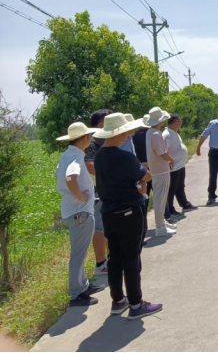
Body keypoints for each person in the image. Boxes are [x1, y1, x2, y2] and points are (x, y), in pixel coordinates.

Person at [93, 113, 162, 320]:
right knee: (131, 258)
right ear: (120, 132)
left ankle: (118, 300)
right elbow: (146, 176)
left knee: (115, 257)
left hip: (109, 212)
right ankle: (136, 303)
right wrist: (141, 185)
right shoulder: (124, 156)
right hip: (129, 211)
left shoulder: (99, 156)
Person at [55, 122, 104, 307]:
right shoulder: (75, 158)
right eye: (89, 137)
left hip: (73, 211)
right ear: (84, 138)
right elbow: (70, 178)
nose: (90, 140)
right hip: (79, 212)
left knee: (80, 252)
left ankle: (83, 286)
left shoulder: (67, 155)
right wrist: (80, 196)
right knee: (78, 253)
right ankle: (76, 294)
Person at [84, 108, 112, 277]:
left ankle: (109, 258)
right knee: (100, 228)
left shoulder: (103, 140)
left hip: (106, 189)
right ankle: (100, 264)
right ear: (101, 123)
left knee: (107, 226)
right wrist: (110, 173)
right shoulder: (92, 142)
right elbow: (88, 164)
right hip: (96, 191)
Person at [143, 107, 176, 237]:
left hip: (156, 169)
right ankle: (159, 226)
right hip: (161, 170)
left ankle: (161, 221)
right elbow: (161, 153)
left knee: (160, 198)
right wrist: (171, 160)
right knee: (160, 199)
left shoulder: (150, 132)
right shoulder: (156, 134)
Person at [163, 114, 196, 216]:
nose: (181, 124)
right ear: (173, 123)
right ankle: (170, 208)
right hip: (173, 167)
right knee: (172, 188)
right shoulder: (166, 134)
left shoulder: (175, 133)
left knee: (180, 186)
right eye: (179, 122)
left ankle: (184, 203)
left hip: (180, 165)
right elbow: (163, 151)